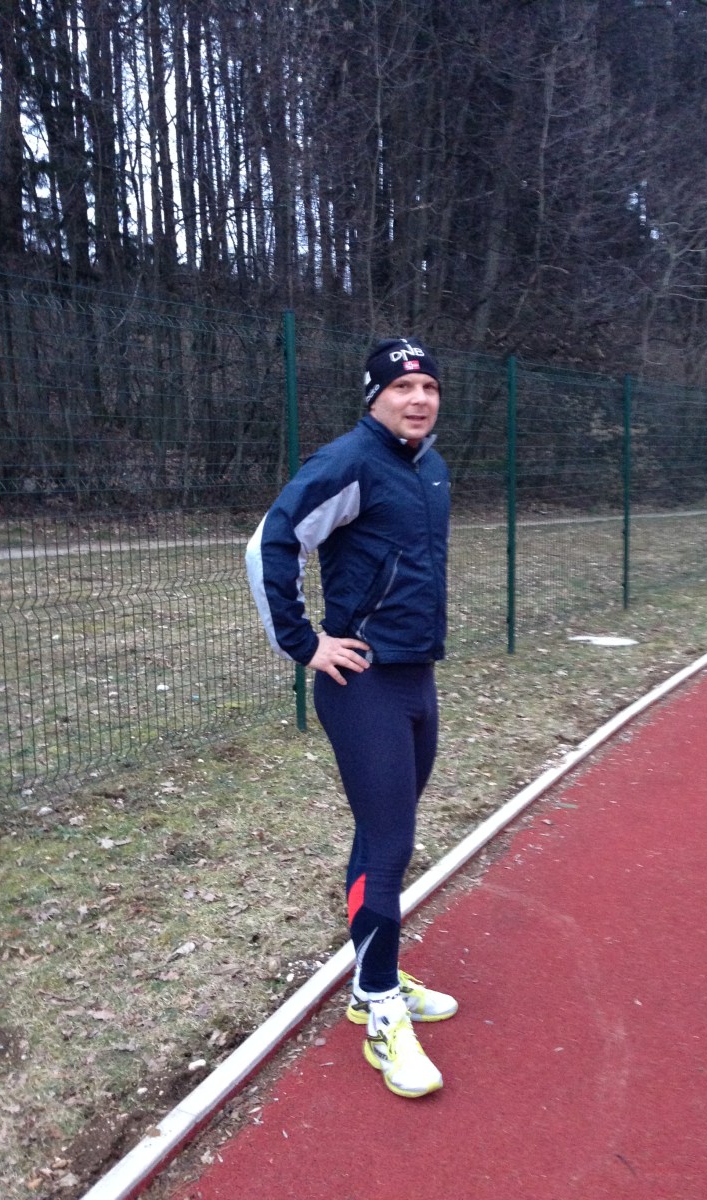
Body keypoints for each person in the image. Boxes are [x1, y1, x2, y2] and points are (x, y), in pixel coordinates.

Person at [246, 337, 457, 1099]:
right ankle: (378, 1010)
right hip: (362, 684)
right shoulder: (350, 461)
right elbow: (270, 543)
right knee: (390, 845)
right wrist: (303, 643)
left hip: (416, 677)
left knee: (381, 837)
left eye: (428, 386)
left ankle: (376, 975)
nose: (418, 398)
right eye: (402, 387)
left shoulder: (428, 466)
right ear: (374, 396)